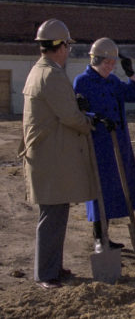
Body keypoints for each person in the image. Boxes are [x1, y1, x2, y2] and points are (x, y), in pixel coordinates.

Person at [19, 19, 98, 289]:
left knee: (56, 213)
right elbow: (69, 117)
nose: (69, 51)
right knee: (51, 216)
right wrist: (89, 120)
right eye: (68, 46)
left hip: (48, 156)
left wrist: (77, 108)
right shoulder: (51, 74)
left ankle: (53, 266)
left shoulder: (41, 70)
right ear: (61, 46)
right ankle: (45, 274)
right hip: (49, 158)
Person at [73, 37, 135, 251]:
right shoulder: (82, 81)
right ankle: (99, 237)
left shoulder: (113, 81)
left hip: (119, 141)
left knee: (117, 188)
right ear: (95, 60)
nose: (110, 66)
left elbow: (134, 95)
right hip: (98, 143)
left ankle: (108, 235)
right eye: (107, 62)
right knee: (100, 189)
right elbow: (77, 111)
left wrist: (131, 74)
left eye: (113, 63)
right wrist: (93, 116)